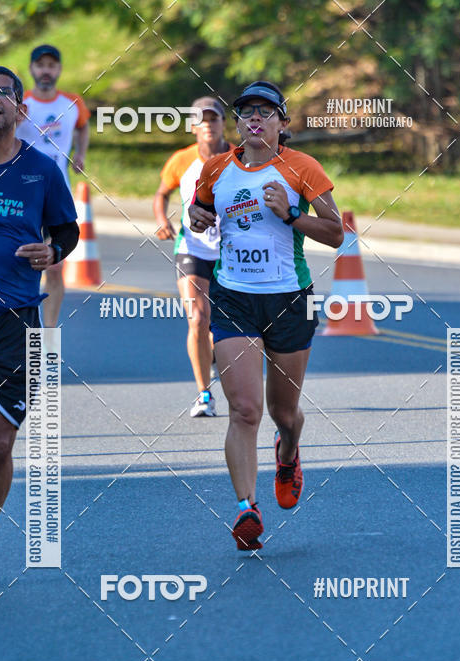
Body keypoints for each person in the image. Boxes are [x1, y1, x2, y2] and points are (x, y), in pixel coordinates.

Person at [189, 81, 343, 550]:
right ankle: (246, 509)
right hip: (234, 298)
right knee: (245, 409)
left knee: (284, 412)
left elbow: (337, 233)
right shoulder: (216, 169)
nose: (255, 120)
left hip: (289, 300)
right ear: (238, 123)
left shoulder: (303, 168)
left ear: (282, 123)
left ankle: (289, 452)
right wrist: (197, 218)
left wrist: (292, 215)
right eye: (247, 113)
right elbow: (199, 211)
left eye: (265, 112)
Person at [0, 66, 79, 587]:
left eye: (6, 94)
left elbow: (67, 231)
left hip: (12, 321)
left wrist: (52, 251)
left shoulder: (41, 169)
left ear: (20, 111)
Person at [154, 97, 232, 417]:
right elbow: (162, 192)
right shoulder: (182, 159)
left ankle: (211, 353)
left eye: (214, 119)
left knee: (223, 324)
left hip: (231, 251)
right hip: (192, 248)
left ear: (224, 123)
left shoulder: (239, 158)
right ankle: (204, 395)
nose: (208, 125)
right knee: (197, 318)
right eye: (202, 120)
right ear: (192, 126)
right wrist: (162, 219)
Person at [16, 45, 90, 327]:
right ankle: (19, 328)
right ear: (32, 69)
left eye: (51, 65)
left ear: (58, 69)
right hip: (22, 197)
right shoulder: (20, 103)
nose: (46, 70)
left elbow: (83, 126)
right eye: (40, 65)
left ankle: (48, 334)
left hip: (57, 195)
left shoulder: (72, 103)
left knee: (55, 267)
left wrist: (80, 153)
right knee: (22, 264)